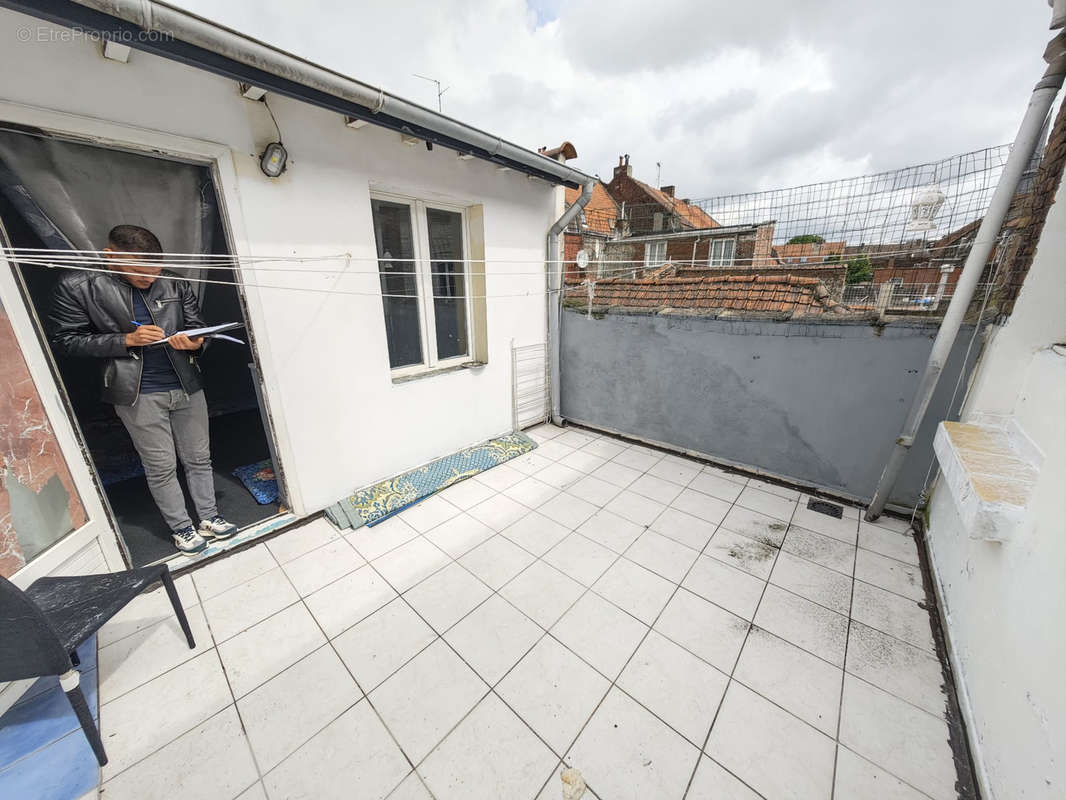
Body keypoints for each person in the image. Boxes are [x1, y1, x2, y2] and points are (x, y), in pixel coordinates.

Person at [49, 224, 238, 554]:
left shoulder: (174, 280)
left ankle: (209, 517)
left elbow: (199, 331)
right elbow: (66, 341)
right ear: (111, 256)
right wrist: (125, 340)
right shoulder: (79, 286)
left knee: (198, 457)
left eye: (154, 271)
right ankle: (182, 527)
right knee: (161, 464)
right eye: (140, 272)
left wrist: (193, 344)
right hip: (137, 393)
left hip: (187, 385)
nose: (150, 279)